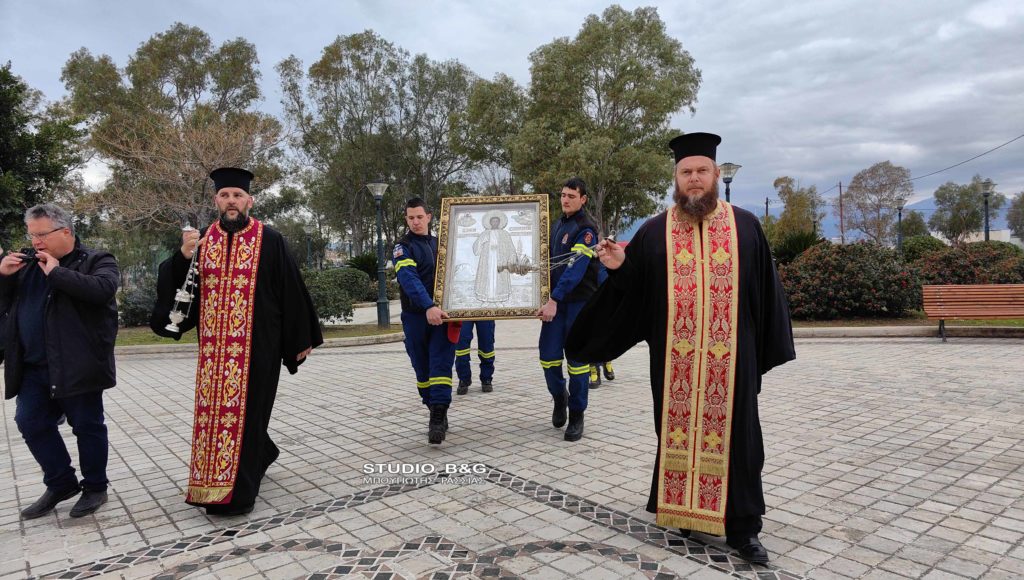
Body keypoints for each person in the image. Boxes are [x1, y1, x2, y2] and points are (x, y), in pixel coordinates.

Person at [566, 133, 795, 565]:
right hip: (677, 369)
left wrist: (759, 354)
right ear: (676, 177)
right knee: (676, 435)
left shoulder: (745, 225)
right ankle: (688, 515)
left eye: (702, 171)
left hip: (733, 365)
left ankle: (744, 528)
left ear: (714, 174)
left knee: (741, 442)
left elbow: (766, 293)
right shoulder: (655, 231)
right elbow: (638, 298)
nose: (694, 180)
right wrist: (618, 270)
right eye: (686, 172)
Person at [151, 167, 322, 516]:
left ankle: (239, 494)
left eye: (238, 196)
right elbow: (179, 291)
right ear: (216, 200)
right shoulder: (199, 241)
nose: (232, 202)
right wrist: (182, 258)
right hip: (214, 350)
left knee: (252, 412)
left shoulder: (270, 239)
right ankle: (226, 473)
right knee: (214, 415)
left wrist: (299, 339)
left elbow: (290, 290)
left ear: (249, 200)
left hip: (261, 345)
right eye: (225, 196)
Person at [1, 204, 120, 519]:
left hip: (78, 363)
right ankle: (61, 482)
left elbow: (102, 290)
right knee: (30, 422)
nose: (36, 241)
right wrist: (3, 277)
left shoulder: (97, 260)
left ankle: (95, 486)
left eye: (42, 234)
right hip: (33, 367)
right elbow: (7, 304)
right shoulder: (25, 264)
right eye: (32, 234)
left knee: (87, 426)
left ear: (65, 231)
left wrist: (55, 272)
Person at [537, 177, 599, 442]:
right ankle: (559, 397)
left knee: (577, 363)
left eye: (571, 196)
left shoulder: (586, 229)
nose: (565, 200)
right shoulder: (555, 224)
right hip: (554, 304)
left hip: (576, 304)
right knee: (548, 358)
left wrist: (554, 299)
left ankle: (576, 415)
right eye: (563, 195)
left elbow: (574, 268)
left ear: (583, 199)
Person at [394, 197, 458, 444]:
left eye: (420, 217)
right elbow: (408, 278)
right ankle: (433, 408)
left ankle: (438, 418)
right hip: (416, 317)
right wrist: (427, 305)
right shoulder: (402, 247)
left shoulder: (441, 245)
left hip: (442, 317)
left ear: (429, 217)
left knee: (440, 367)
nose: (416, 222)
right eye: (411, 217)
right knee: (422, 371)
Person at [473, 212, 517, 303]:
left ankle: (499, 299)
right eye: (493, 221)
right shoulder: (485, 233)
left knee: (500, 276)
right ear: (490, 222)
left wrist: (512, 256)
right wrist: (482, 241)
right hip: (487, 259)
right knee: (487, 276)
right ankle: (486, 300)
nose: (495, 223)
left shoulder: (505, 234)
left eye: (497, 221)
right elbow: (476, 248)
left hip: (500, 259)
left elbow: (510, 246)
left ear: (499, 222)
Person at [455, 320, 496, 394]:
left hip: (485, 311)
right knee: (462, 344)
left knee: (486, 343)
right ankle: (463, 379)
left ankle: (486, 379)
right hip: (462, 311)